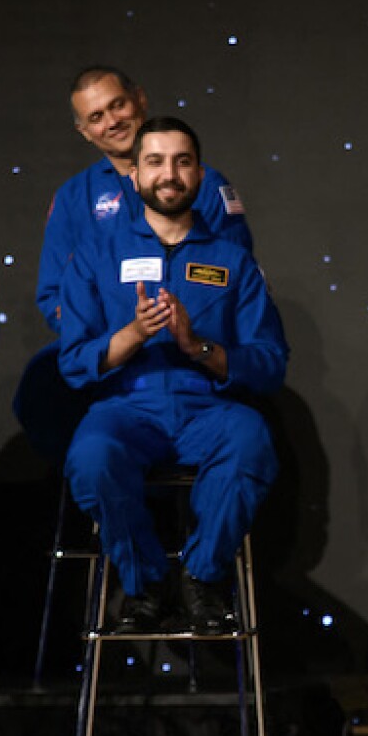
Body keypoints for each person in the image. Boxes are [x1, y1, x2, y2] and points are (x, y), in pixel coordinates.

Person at [59, 116, 286, 634]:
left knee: (251, 441)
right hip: (125, 406)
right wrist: (134, 335)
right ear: (133, 176)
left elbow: (270, 361)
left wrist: (198, 347)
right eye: (155, 162)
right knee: (92, 459)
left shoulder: (233, 260)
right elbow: (73, 362)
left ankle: (202, 577)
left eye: (182, 162)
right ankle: (146, 583)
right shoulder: (96, 256)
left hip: (208, 404)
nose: (169, 174)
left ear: (200, 175)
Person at [15, 65, 254, 462]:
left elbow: (235, 278)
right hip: (111, 365)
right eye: (96, 117)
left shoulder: (205, 184)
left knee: (249, 431)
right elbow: (54, 294)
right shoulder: (74, 197)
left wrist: (186, 336)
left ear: (139, 99)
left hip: (194, 360)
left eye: (118, 105)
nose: (112, 122)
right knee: (47, 397)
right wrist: (120, 338)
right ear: (83, 131)